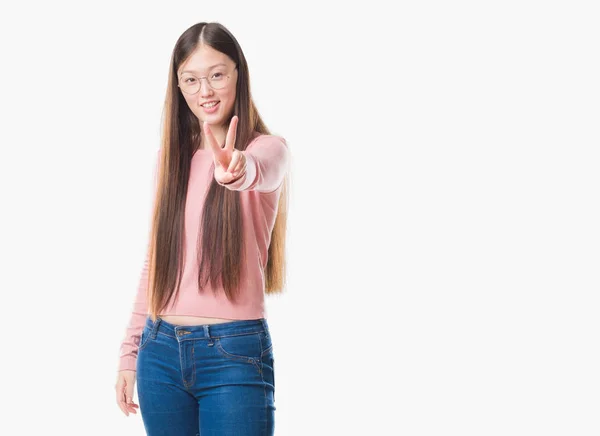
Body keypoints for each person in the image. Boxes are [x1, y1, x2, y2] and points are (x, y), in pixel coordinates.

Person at [114, 21, 290, 435]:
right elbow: (156, 261)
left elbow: (259, 170)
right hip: (158, 354)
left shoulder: (267, 148)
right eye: (190, 80)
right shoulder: (170, 158)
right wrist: (128, 353)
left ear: (237, 74)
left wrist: (238, 168)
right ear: (178, 87)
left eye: (216, 75)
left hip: (234, 352)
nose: (204, 91)